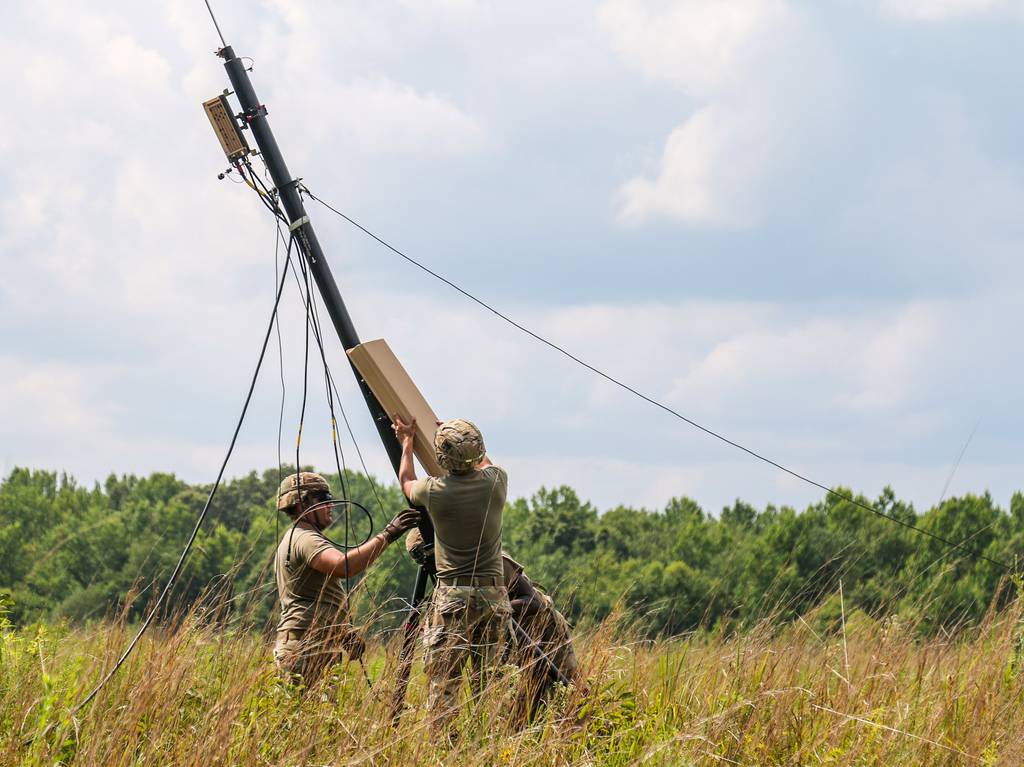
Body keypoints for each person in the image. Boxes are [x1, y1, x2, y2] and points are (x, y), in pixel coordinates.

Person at [392, 415, 511, 736]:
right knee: (492, 683)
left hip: (452, 599)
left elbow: (406, 480)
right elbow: (485, 461)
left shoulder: (435, 492)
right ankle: (493, 744)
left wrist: (407, 442)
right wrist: (460, 435)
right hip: (493, 597)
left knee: (443, 682)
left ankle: (445, 745)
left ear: (444, 458)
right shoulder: (496, 483)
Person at [405, 529, 581, 722]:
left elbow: (532, 602)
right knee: (516, 715)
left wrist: (487, 609)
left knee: (573, 700)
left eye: (429, 557)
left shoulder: (488, 560)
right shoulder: (450, 579)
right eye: (420, 560)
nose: (429, 566)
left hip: (544, 629)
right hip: (510, 635)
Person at [273, 471, 419, 685]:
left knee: (315, 717)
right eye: (323, 499)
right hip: (304, 646)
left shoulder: (298, 536)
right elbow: (344, 566)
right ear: (302, 503)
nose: (330, 505)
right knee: (303, 714)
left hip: (311, 643)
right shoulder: (305, 539)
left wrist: (343, 634)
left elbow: (316, 600)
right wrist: (388, 535)